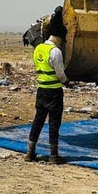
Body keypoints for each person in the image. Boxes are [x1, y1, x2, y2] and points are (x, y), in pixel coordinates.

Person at [28, 32, 69, 164]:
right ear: (58, 37)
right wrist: (67, 81)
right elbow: (60, 73)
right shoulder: (55, 51)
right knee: (54, 123)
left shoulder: (38, 48)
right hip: (54, 92)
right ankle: (53, 155)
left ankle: (30, 152)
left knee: (38, 120)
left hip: (41, 90)